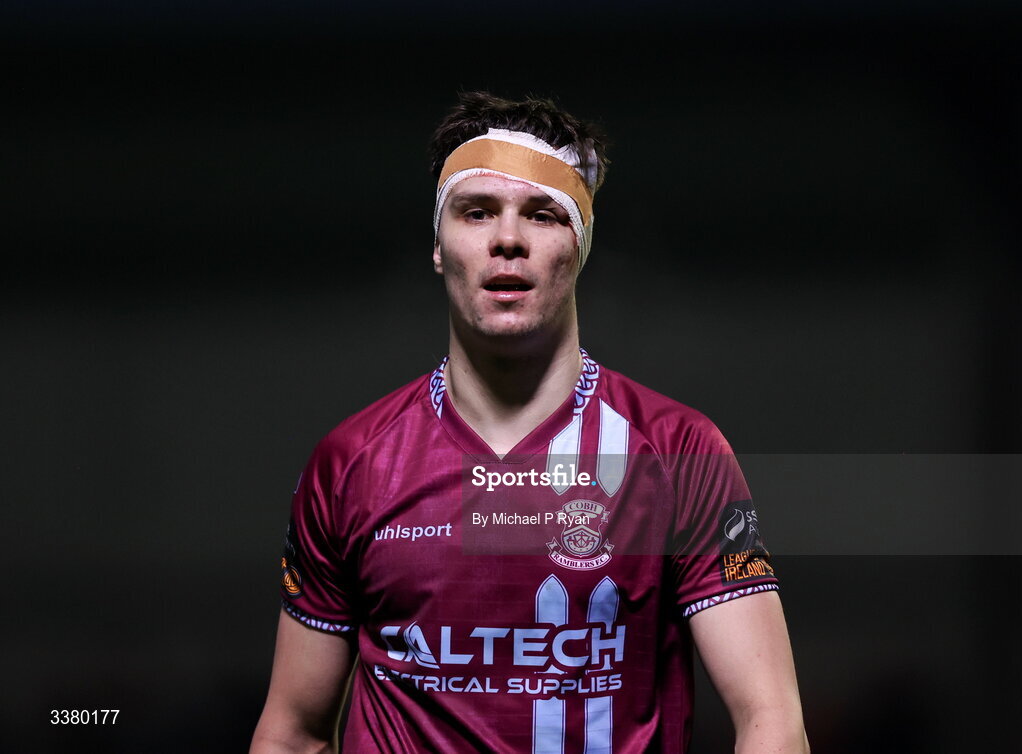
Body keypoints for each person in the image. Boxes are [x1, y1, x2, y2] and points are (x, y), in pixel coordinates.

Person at [251, 92, 809, 753]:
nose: (507, 238)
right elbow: (293, 733)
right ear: (439, 246)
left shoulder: (677, 451)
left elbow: (770, 721)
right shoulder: (350, 464)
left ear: (581, 245)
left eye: (542, 215)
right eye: (477, 211)